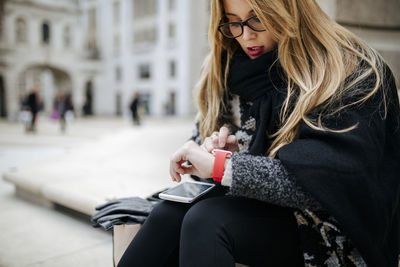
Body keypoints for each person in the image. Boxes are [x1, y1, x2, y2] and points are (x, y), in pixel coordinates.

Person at [118, 0, 400, 266]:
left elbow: (331, 181)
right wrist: (211, 154)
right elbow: (208, 162)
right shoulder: (226, 67)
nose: (246, 36)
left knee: (207, 219)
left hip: (332, 230)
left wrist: (225, 166)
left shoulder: (351, 70)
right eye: (233, 22)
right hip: (262, 211)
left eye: (256, 19)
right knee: (169, 213)